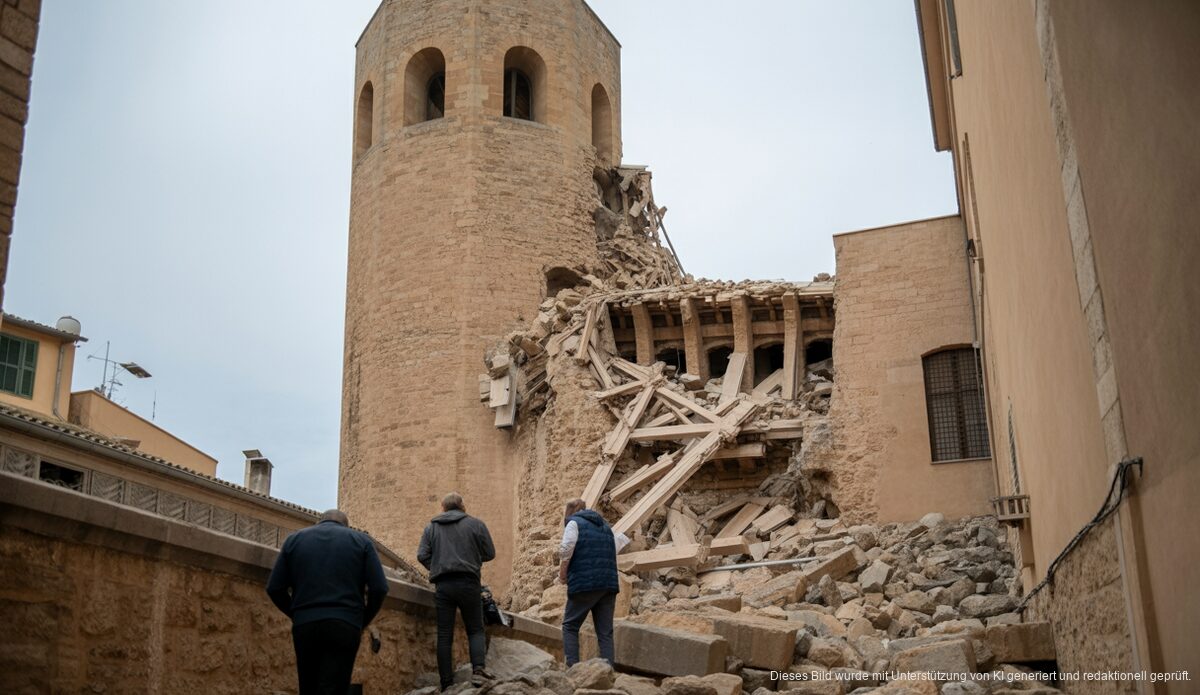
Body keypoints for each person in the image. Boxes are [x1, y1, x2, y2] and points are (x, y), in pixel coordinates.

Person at [266, 509, 389, 695]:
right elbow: (379, 588)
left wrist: (296, 613)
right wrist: (362, 620)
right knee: (334, 687)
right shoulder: (362, 541)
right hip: (346, 623)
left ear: (319, 522)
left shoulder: (294, 540)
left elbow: (274, 588)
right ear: (345, 525)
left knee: (308, 686)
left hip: (305, 624)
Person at [417, 492, 497, 690]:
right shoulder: (476, 524)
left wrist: (437, 566)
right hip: (469, 582)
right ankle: (478, 670)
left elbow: (422, 555)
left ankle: (446, 682)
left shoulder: (431, 527)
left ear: (443, 508)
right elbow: (490, 553)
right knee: (475, 629)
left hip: (443, 585)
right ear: (462, 507)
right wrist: (472, 560)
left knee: (444, 634)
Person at [557, 498, 630, 666]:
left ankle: (573, 669)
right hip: (609, 583)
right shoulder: (605, 526)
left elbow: (566, 550)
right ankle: (607, 672)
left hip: (585, 583)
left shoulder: (573, 524)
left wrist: (562, 575)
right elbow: (614, 548)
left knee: (570, 626)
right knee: (605, 633)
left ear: (570, 513)